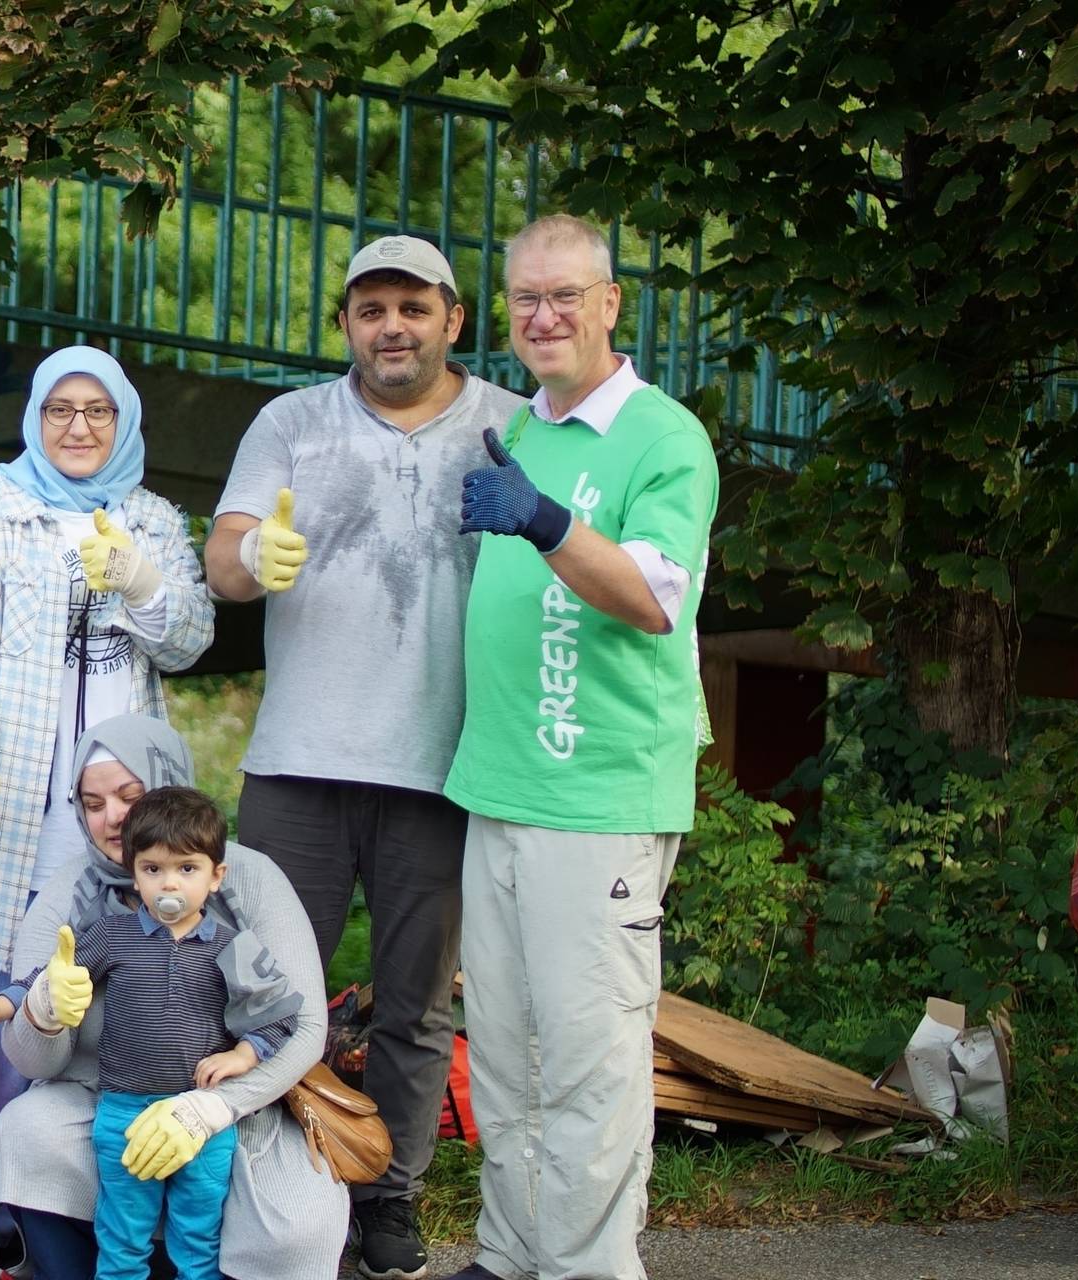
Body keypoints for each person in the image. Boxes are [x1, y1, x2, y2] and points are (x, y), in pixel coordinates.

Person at [205, 234, 526, 1277]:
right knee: (259, 987)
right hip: (298, 762)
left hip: (443, 767)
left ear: (453, 319)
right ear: (345, 322)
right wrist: (255, 555)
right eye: (371, 308)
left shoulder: (511, 428)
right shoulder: (290, 420)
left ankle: (386, 1196)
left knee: (417, 1004)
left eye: (413, 307)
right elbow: (222, 557)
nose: (393, 326)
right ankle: (269, 1186)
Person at [441, 215, 720, 1280]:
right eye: (525, 300)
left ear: (612, 302)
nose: (544, 316)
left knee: (593, 1062)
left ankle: (590, 1266)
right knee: (506, 1053)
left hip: (601, 794)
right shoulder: (526, 426)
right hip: (501, 784)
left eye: (566, 295)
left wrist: (546, 523)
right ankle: (512, 1252)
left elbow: (654, 599)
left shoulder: (662, 435)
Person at [0, 715, 348, 1280]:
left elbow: (304, 1025)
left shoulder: (250, 880)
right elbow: (32, 1063)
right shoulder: (71, 897)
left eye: (129, 795)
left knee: (299, 1227)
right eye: (92, 803)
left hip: (241, 1104)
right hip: (105, 1098)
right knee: (24, 1134)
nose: (113, 817)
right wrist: (43, 1011)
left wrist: (213, 1107)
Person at [0, 343, 214, 1122]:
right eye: (60, 410)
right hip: (18, 794)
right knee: (12, 989)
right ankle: (5, 1195)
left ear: (123, 420)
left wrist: (141, 579)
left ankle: (108, 1183)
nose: (78, 427)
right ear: (35, 417)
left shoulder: (151, 520)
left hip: (123, 802)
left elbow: (188, 644)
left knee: (124, 974)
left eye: (97, 411)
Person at [27, 786, 303, 1280]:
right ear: (134, 873)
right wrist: (7, 1002)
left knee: (198, 1239)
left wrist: (244, 1053)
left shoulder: (232, 944)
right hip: (124, 1111)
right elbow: (53, 978)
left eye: (187, 869)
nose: (169, 884)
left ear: (216, 876)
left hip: (199, 1115)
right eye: (153, 869)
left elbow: (279, 1014)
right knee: (122, 1235)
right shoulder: (113, 935)